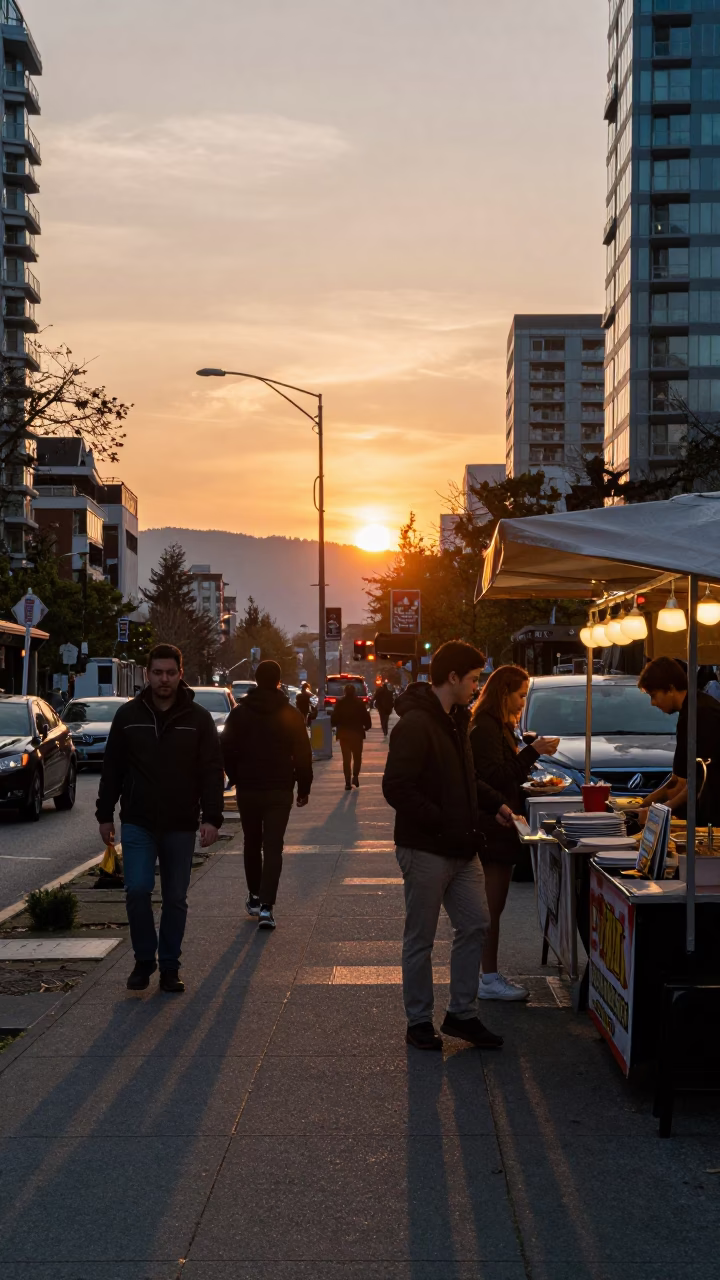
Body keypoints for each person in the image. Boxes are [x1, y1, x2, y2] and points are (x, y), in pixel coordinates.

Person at [382, 640, 514, 1052]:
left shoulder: (457, 719)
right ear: (452, 678)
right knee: (419, 938)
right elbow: (396, 788)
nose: (477, 686)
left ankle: (462, 1014)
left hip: (462, 846)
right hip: (426, 848)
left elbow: (466, 778)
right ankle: (418, 1021)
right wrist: (442, 820)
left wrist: (494, 803)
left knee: (475, 923)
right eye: (474, 679)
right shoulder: (416, 724)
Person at [96, 643, 224, 993]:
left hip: (181, 823)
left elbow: (212, 771)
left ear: (180, 674)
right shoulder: (128, 716)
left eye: (170, 673)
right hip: (138, 820)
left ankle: (169, 966)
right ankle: (143, 960)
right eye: (157, 673)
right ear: (146, 674)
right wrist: (104, 815)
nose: (163, 679)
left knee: (175, 897)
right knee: (137, 889)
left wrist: (211, 817)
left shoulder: (198, 719)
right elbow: (112, 769)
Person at [470, 665, 560, 1001]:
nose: (523, 702)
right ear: (503, 693)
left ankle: (487, 974)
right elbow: (495, 776)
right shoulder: (485, 728)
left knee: (495, 905)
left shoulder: (500, 727)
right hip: (494, 825)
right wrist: (532, 753)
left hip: (504, 821)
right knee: (491, 907)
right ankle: (487, 977)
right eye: (521, 695)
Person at [222, 659, 312, 929]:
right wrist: (303, 788)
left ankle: (254, 893)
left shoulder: (239, 713)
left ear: (255, 680)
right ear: (278, 681)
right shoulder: (290, 713)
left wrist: (235, 776)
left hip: (248, 788)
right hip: (280, 788)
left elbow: (225, 747)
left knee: (252, 842)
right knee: (274, 847)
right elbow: (303, 754)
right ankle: (266, 907)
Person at [637, 656, 720, 825]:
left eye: (654, 695)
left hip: (712, 815)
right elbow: (677, 779)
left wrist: (660, 812)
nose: (653, 703)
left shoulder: (702, 714)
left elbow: (696, 782)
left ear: (670, 688)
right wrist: (645, 802)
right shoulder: (689, 712)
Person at [331, 684, 372, 789]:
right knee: (357, 757)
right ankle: (355, 776)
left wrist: (336, 725)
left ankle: (347, 781)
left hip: (344, 734)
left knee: (346, 759)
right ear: (355, 692)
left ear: (344, 692)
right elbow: (366, 719)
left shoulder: (340, 703)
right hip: (357, 734)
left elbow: (334, 719)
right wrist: (366, 727)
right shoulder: (359, 703)